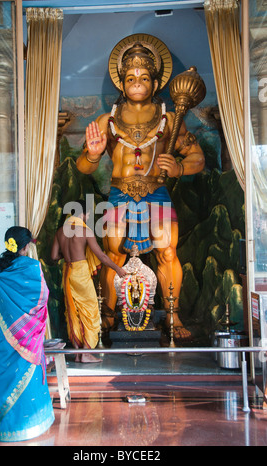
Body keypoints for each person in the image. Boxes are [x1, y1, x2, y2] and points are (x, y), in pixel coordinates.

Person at [76, 37, 205, 341]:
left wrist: (180, 167)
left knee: (168, 252)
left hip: (156, 192)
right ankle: (108, 316)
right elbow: (84, 167)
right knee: (113, 255)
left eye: (144, 77)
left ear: (156, 82)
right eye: (130, 78)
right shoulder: (107, 121)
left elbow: (197, 157)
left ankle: (172, 316)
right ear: (121, 83)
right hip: (120, 193)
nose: (137, 83)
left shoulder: (170, 120)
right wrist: (93, 154)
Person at [0, 226, 54, 442]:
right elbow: (43, 297)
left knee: (8, 379)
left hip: (6, 340)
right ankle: (31, 426)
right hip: (28, 338)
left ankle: (10, 426)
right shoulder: (32, 268)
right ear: (26, 246)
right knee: (29, 380)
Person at [51, 200, 126, 363]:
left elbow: (54, 257)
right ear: (82, 213)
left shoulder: (60, 231)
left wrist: (67, 254)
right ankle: (85, 353)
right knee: (90, 310)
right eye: (88, 213)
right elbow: (102, 256)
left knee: (73, 310)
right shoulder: (84, 231)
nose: (89, 216)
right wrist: (118, 269)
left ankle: (78, 353)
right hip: (80, 273)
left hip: (67, 273)